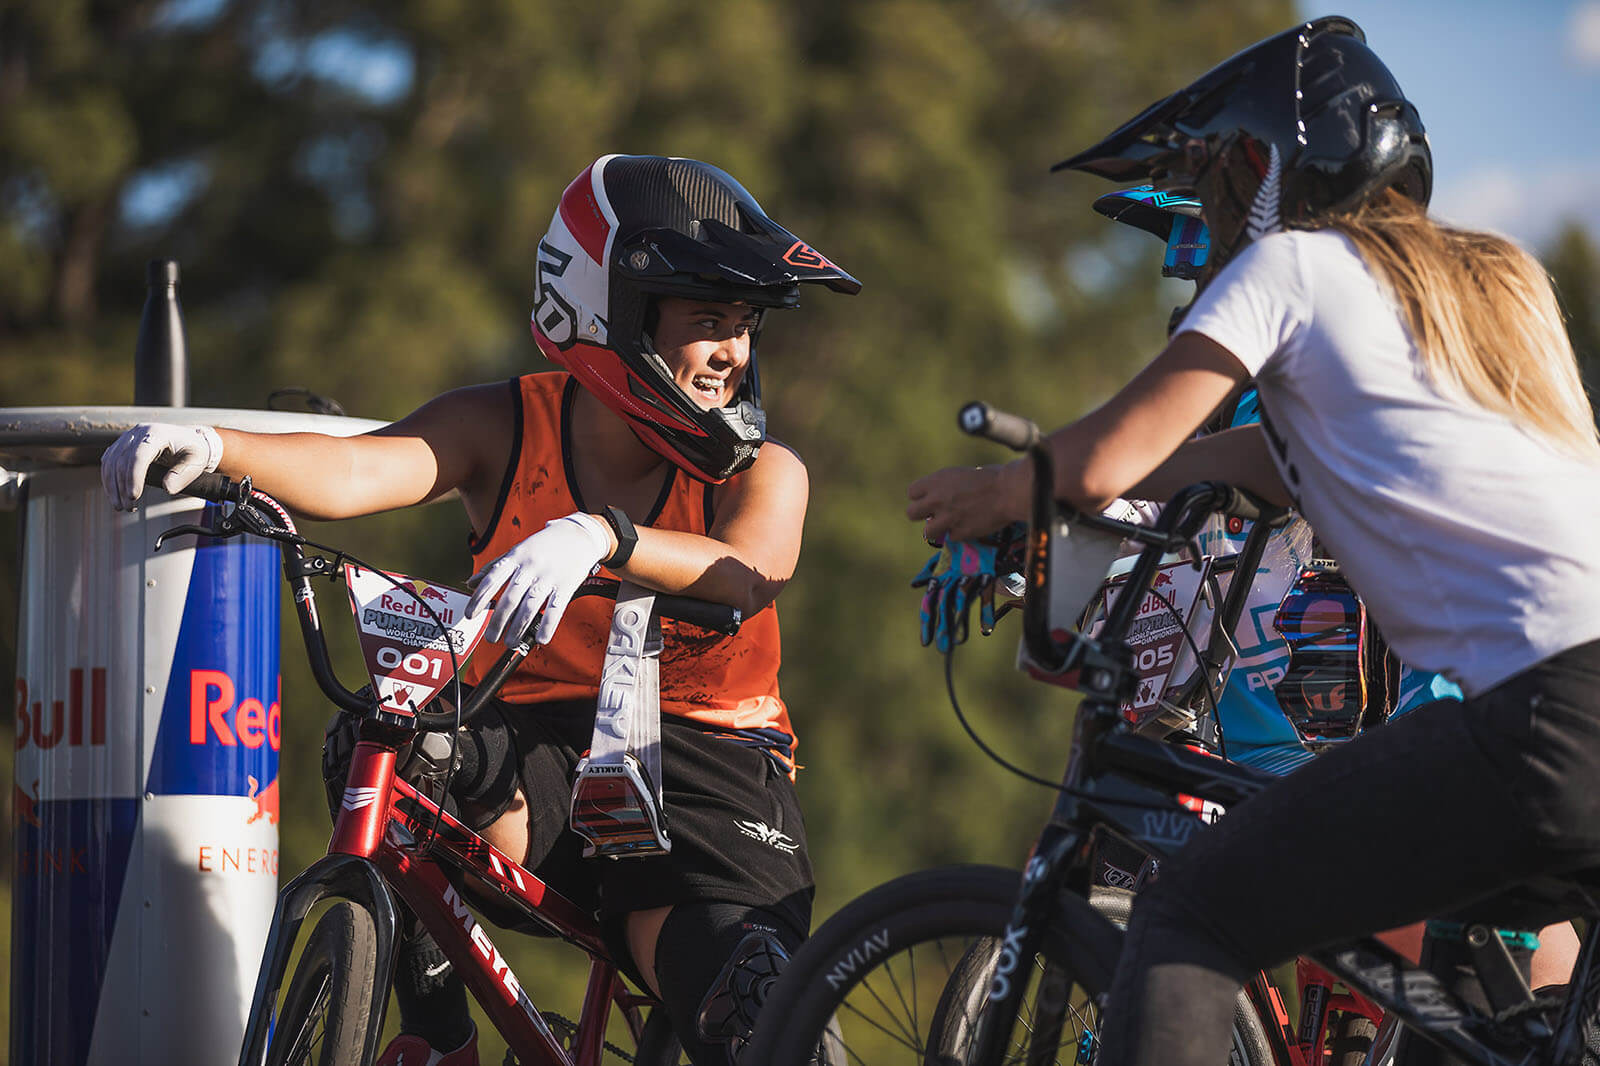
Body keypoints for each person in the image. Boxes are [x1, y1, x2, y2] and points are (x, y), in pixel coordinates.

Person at [907, 17, 1600, 1066]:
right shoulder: (1494, 278)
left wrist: (1002, 490)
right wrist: (1117, 477)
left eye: (1212, 186)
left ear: (1262, 167)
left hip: (1539, 712)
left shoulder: (1291, 266)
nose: (1208, 224)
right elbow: (1263, 468)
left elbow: (1100, 458)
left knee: (1193, 911)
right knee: (1466, 1003)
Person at [102, 154, 859, 1066]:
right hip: (536, 761)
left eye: (743, 327)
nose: (734, 354)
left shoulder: (767, 469)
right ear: (610, 312)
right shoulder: (500, 425)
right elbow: (355, 467)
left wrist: (604, 537)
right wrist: (215, 445)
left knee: (751, 1007)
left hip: (707, 772)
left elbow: (749, 571)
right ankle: (439, 1038)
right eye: (708, 323)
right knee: (387, 747)